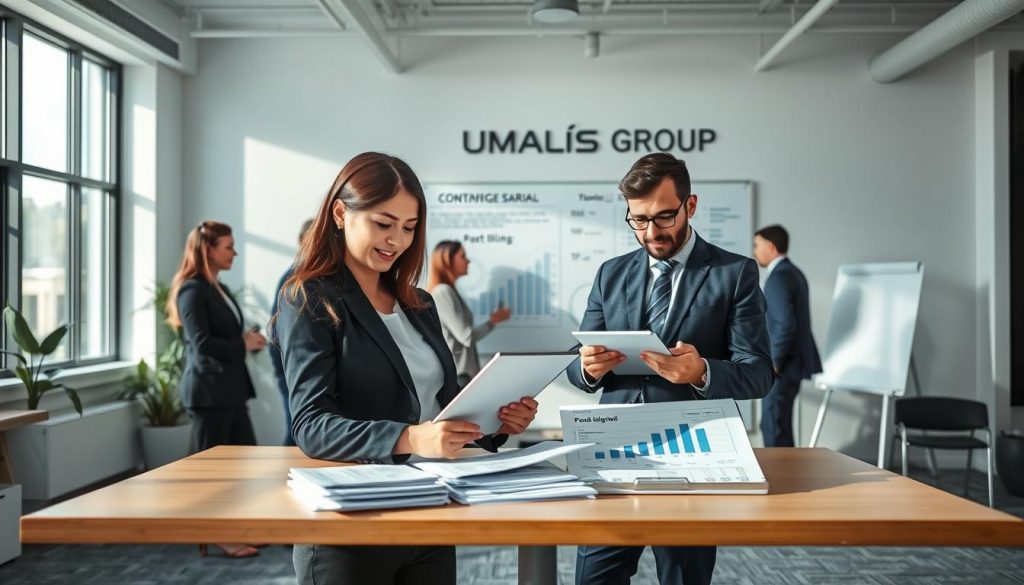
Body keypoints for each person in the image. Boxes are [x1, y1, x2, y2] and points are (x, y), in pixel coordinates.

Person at [274, 152, 539, 585]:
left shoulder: (421, 304)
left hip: (430, 511)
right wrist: (409, 436)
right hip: (355, 523)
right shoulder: (309, 298)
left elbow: (442, 407)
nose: (396, 239)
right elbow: (311, 424)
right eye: (384, 223)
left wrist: (497, 424)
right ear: (341, 213)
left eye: (409, 227)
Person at [567, 153, 773, 585]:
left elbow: (758, 373)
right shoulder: (611, 274)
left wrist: (702, 373)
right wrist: (588, 368)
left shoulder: (734, 273)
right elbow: (576, 366)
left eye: (663, 217)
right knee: (593, 578)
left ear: (690, 206)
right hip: (613, 451)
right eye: (638, 220)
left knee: (683, 578)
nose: (651, 232)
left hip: (693, 454)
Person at [166, 220, 267, 559]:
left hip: (230, 391)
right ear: (208, 249)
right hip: (209, 394)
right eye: (228, 246)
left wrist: (246, 341)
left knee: (244, 462)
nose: (235, 252)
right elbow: (202, 344)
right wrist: (242, 343)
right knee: (212, 474)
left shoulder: (216, 288)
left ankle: (238, 526)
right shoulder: (192, 290)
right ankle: (214, 533)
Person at [752, 224, 822, 448]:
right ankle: (789, 475)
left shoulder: (779, 277)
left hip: (782, 367)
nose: (754, 251)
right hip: (792, 364)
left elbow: (784, 324)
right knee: (779, 424)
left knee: (773, 426)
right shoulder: (793, 272)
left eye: (757, 245)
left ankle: (782, 481)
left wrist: (773, 363)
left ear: (771, 247)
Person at [427, 240, 512, 387]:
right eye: (463, 256)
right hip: (460, 376)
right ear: (447, 260)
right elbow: (466, 336)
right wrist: (492, 322)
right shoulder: (443, 292)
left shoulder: (449, 291)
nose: (468, 261)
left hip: (464, 375)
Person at [269, 218, 314, 446]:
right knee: (298, 433)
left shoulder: (315, 275)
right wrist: (283, 372)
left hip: (298, 371)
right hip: (291, 372)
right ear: (301, 241)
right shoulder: (293, 279)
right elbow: (277, 332)